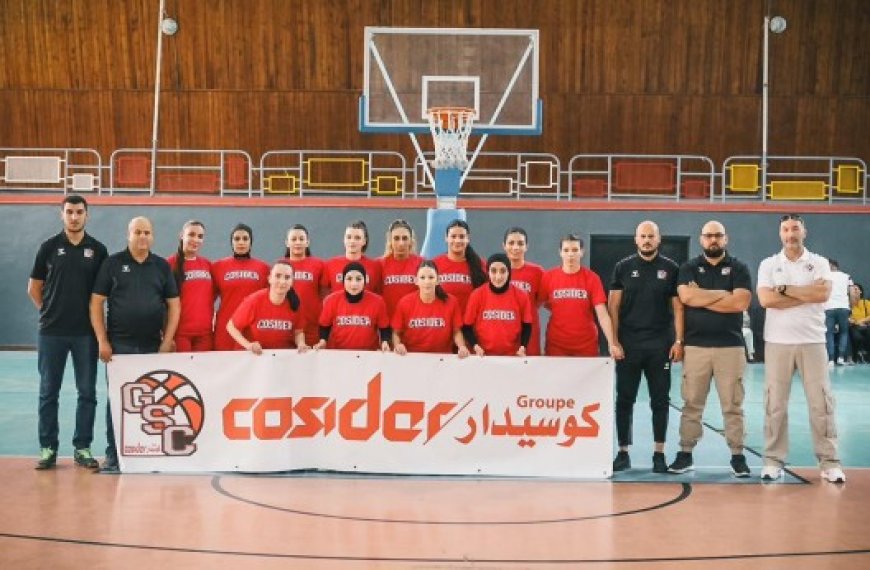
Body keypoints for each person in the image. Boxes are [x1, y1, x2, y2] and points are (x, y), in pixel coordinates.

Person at [757, 214, 845, 483]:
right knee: (775, 404)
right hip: (777, 342)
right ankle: (773, 461)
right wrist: (803, 292)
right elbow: (765, 299)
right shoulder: (769, 264)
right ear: (779, 233)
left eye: (795, 228)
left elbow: (822, 295)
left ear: (804, 232)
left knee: (821, 403)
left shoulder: (818, 263)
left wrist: (784, 290)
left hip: (813, 342)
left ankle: (829, 463)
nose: (790, 234)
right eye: (785, 229)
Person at [90, 217, 180, 472]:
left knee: (153, 403)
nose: (143, 236)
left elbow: (174, 305)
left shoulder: (161, 266)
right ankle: (113, 455)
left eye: (147, 232)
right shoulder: (112, 264)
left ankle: (149, 452)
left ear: (152, 236)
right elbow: (96, 302)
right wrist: (102, 340)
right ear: (128, 234)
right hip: (120, 348)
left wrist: (167, 340)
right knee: (117, 403)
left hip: (153, 347)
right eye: (138, 232)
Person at [27, 195, 108, 470]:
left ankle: (82, 448)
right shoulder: (48, 247)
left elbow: (101, 295)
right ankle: (48, 448)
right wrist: (47, 310)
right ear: (62, 215)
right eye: (70, 212)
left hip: (85, 334)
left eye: (79, 212)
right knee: (49, 392)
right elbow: (33, 288)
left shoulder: (98, 250)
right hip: (52, 333)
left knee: (87, 392)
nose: (74, 217)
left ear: (87, 215)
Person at [669, 221, 752, 477]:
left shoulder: (739, 268)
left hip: (731, 347)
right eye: (708, 236)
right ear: (701, 239)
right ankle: (685, 453)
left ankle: (738, 456)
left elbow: (740, 302)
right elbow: (687, 298)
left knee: (733, 405)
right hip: (695, 347)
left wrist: (703, 295)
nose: (713, 240)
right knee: (692, 404)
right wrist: (723, 294)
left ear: (725, 239)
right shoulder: (688, 268)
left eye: (718, 235)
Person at [609, 221, 684, 474]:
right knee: (624, 400)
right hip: (628, 346)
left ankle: (659, 453)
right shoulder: (623, 267)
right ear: (636, 239)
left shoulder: (671, 269)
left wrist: (678, 341)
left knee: (660, 401)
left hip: (659, 345)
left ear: (659, 239)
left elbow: (678, 307)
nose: (647, 240)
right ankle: (623, 452)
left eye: (651, 236)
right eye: (643, 236)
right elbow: (613, 307)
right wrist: (614, 341)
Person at [540, 234, 622, 358]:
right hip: (556, 345)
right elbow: (535, 307)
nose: (570, 254)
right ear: (560, 252)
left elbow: (602, 314)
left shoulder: (592, 278)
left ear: (582, 252)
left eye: (575, 250)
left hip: (586, 345)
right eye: (566, 250)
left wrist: (612, 343)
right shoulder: (548, 277)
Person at [226, 260, 309, 354]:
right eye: (277, 276)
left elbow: (298, 332)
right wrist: (248, 345)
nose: (282, 281)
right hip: (254, 358)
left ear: (292, 282)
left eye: (287, 277)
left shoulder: (295, 303)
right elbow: (231, 326)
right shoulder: (254, 301)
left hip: (282, 358)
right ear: (269, 278)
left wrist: (301, 343)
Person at [392, 260, 469, 357]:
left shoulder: (451, 302)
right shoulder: (404, 303)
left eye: (431, 277)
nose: (427, 281)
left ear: (438, 280)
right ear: (416, 281)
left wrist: (461, 346)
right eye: (422, 278)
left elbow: (456, 331)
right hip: (411, 358)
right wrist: (398, 345)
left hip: (442, 359)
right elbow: (396, 333)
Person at [212, 223, 270, 350]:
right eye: (237, 239)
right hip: (225, 327)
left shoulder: (264, 268)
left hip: (253, 328)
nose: (241, 242)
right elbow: (208, 300)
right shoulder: (218, 267)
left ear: (251, 242)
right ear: (231, 242)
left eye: (245, 238)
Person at [463, 253, 534, 357]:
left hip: (512, 356)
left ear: (509, 272)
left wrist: (523, 347)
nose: (498, 276)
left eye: (503, 271)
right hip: (483, 356)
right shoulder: (477, 295)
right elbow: (467, 327)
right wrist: (475, 346)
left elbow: (527, 325)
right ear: (488, 272)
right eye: (493, 271)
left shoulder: (521, 295)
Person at [315, 262, 391, 351]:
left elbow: (384, 328)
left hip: (368, 355)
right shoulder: (331, 300)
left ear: (365, 280)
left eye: (359, 279)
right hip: (338, 354)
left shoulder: (378, 301)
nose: (354, 284)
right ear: (343, 280)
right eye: (349, 279)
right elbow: (324, 326)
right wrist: (323, 341)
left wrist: (385, 342)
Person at [167, 220, 214, 352]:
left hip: (205, 335)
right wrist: (166, 336)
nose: (196, 239)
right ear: (182, 235)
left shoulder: (208, 265)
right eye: (191, 234)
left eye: (200, 236)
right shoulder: (169, 264)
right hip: (179, 334)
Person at [503, 227, 544, 356]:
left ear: (526, 246)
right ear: (504, 246)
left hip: (529, 333)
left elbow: (541, 300)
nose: (515, 247)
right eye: (511, 243)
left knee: (530, 372)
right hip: (503, 330)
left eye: (520, 243)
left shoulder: (537, 272)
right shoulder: (495, 271)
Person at [432, 219, 487, 313]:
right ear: (446, 238)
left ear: (468, 238)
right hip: (443, 322)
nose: (457, 240)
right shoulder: (434, 264)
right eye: (453, 236)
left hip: (470, 324)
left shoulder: (480, 265)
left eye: (462, 237)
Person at [284, 224, 325, 347]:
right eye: (294, 239)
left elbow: (324, 295)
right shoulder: (279, 266)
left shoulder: (319, 265)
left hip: (312, 326)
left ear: (307, 242)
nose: (298, 242)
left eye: (301, 239)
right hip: (286, 325)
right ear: (287, 242)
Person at [323, 220, 382, 294]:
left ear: (364, 241)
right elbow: (324, 294)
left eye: (357, 238)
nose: (352, 241)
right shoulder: (330, 265)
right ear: (344, 239)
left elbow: (378, 294)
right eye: (349, 237)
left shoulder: (374, 267)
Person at [380, 219, 423, 318]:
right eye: (396, 238)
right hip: (388, 323)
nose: (401, 243)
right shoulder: (380, 264)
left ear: (411, 240)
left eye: (405, 238)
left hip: (413, 321)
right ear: (390, 240)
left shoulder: (421, 263)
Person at [824, 259, 852, 367]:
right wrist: (850, 306)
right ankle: (840, 358)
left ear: (831, 265)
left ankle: (830, 360)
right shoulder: (847, 276)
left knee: (829, 333)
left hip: (829, 308)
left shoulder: (825, 277)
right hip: (843, 307)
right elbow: (852, 293)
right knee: (844, 332)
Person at [848, 284, 870, 363]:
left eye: (856, 289)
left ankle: (866, 355)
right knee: (857, 337)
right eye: (853, 290)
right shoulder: (849, 304)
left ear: (860, 291)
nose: (854, 291)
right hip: (854, 326)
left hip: (865, 325)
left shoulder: (866, 302)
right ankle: (856, 356)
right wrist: (855, 322)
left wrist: (862, 321)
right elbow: (848, 318)